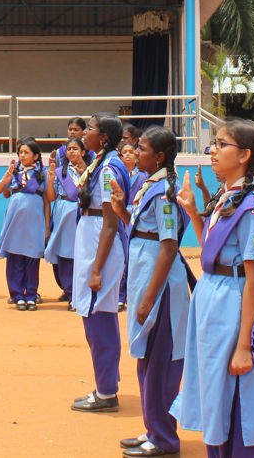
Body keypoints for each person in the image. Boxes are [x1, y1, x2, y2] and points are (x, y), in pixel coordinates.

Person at [172, 117, 254, 457]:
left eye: (220, 144)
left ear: (244, 154)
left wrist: (245, 344)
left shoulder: (252, 208)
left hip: (234, 301)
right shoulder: (226, 199)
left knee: (236, 399)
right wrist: (193, 212)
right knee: (214, 394)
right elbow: (212, 254)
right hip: (215, 295)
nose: (212, 152)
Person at [111, 126, 190, 458]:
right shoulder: (149, 186)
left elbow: (168, 246)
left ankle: (164, 438)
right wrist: (121, 211)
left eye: (141, 148)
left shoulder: (165, 194)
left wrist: (148, 299)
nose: (134, 151)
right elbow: (144, 232)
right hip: (146, 282)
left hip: (162, 292)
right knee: (146, 362)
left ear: (158, 156)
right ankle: (152, 428)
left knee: (160, 364)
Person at [70, 113, 131, 413]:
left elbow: (110, 222)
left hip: (100, 243)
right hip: (91, 238)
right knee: (95, 314)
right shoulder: (100, 162)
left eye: (91, 129)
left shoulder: (109, 169)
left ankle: (106, 392)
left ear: (104, 137)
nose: (84, 133)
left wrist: (96, 268)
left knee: (99, 318)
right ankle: (106, 381)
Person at [0, 138, 49, 310]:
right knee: (15, 258)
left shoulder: (43, 174)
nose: (22, 156)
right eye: (20, 153)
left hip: (35, 223)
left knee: (32, 259)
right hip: (15, 223)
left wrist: (47, 226)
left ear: (36, 156)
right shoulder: (14, 172)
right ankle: (17, 295)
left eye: (26, 152)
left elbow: (47, 201)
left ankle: (31, 294)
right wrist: (5, 180)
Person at [46, 136, 88, 306]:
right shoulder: (59, 172)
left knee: (81, 252)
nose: (72, 152)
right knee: (64, 252)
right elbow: (51, 196)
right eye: (69, 149)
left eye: (76, 149)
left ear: (83, 151)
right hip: (63, 212)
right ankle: (69, 290)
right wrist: (50, 181)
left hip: (83, 213)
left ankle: (79, 293)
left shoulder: (90, 170)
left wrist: (83, 173)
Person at [120, 140, 147, 310]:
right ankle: (120, 294)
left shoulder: (143, 176)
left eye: (131, 151)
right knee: (121, 257)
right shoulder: (118, 174)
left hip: (135, 216)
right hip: (120, 215)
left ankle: (131, 295)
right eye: (125, 152)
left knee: (133, 258)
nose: (128, 154)